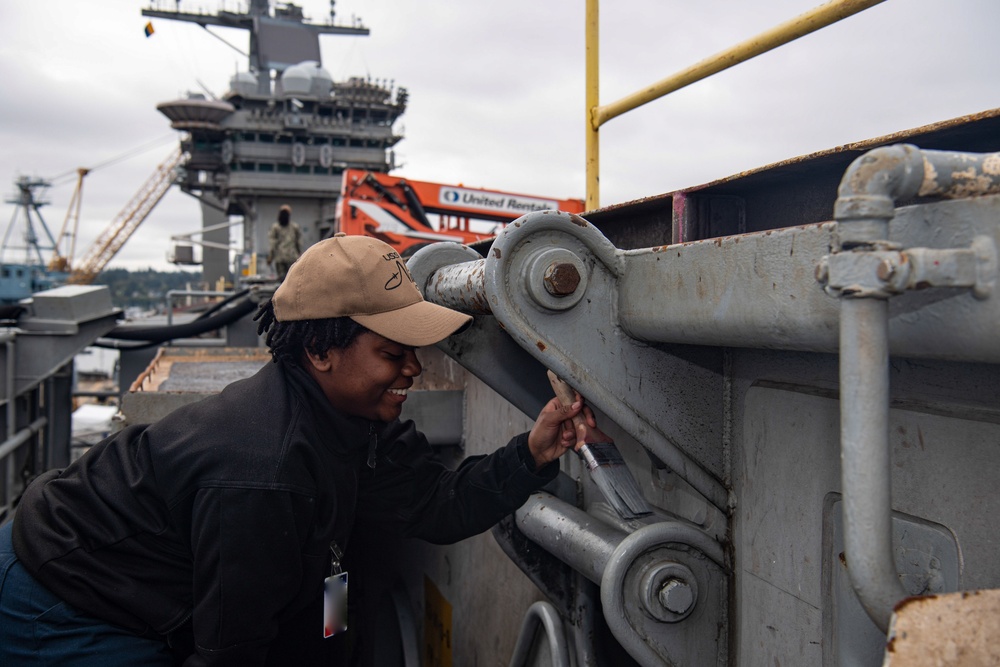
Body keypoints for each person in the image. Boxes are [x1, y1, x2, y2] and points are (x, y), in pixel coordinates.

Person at [0, 233, 595, 666]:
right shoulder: (264, 470)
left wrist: (534, 452)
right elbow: (232, 653)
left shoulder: (354, 420)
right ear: (319, 349)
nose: (413, 367)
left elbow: (436, 506)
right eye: (393, 352)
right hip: (60, 598)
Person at [267, 204, 302, 280]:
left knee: (282, 281)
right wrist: (300, 255)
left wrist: (270, 257)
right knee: (292, 279)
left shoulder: (275, 228)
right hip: (292, 257)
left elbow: (273, 244)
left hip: (280, 258)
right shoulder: (294, 227)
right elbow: (298, 243)